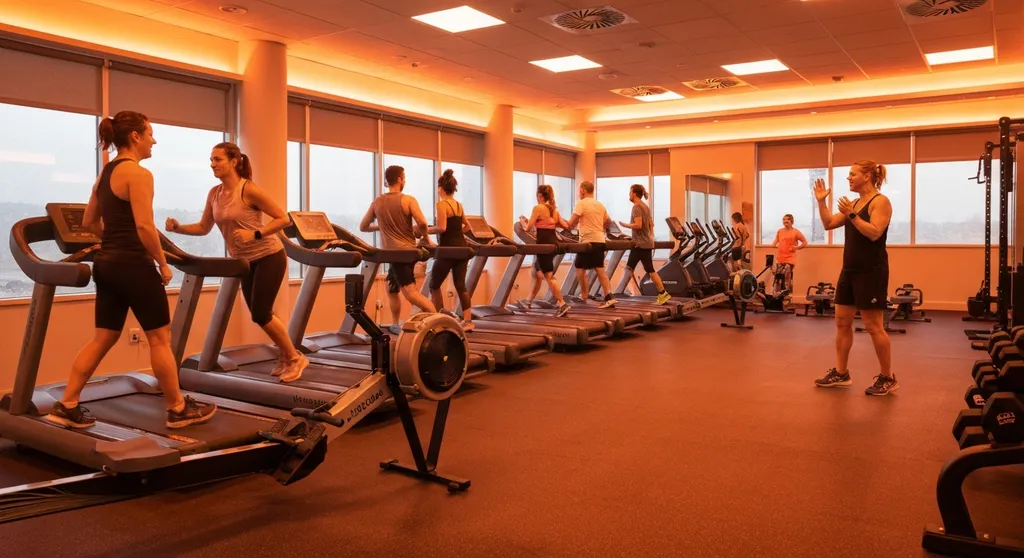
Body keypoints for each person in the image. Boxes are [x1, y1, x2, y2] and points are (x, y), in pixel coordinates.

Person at [46, 111, 217, 429]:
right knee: (160, 339)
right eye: (150, 134)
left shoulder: (105, 173)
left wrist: (112, 242)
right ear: (135, 137)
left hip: (107, 264)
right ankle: (177, 408)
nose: (154, 140)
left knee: (103, 337)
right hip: (134, 266)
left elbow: (89, 222)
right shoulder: (138, 174)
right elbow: (144, 226)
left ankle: (67, 404)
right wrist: (163, 263)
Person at [166, 142, 308, 383]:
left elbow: (283, 218)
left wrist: (255, 234)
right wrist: (178, 228)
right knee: (259, 314)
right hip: (244, 261)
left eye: (217, 159)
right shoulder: (214, 193)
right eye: (211, 160)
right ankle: (287, 355)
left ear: (234, 161)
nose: (212, 164)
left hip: (268, 256)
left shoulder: (248, 190)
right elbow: (203, 227)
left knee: (261, 314)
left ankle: (295, 358)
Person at [812, 161, 897, 395]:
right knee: (841, 322)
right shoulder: (856, 203)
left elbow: (875, 232)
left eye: (852, 174)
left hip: (871, 271)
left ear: (867, 176)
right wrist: (821, 202)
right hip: (849, 270)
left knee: (873, 326)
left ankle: (887, 377)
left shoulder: (880, 201)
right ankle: (841, 373)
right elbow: (829, 223)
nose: (848, 178)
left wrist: (851, 214)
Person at [360, 165, 436, 334]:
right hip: (402, 253)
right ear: (400, 180)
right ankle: (396, 324)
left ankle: (437, 323)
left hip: (396, 254)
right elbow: (422, 223)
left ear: (387, 181)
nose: (405, 181)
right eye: (404, 178)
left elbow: (363, 227)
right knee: (392, 289)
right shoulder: (408, 200)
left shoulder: (377, 202)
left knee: (410, 293)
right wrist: (426, 238)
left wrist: (381, 226)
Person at [427, 169, 474, 331]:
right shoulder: (458, 205)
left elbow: (441, 227)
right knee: (460, 285)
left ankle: (440, 319)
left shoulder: (441, 204)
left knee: (434, 284)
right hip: (462, 248)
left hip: (448, 250)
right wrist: (457, 234)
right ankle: (468, 321)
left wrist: (425, 230)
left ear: (440, 188)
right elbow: (467, 227)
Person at [518, 185, 572, 317]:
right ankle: (528, 301)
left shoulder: (538, 208)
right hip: (553, 243)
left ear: (540, 196)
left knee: (549, 276)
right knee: (537, 272)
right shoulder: (554, 209)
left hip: (543, 246)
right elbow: (565, 225)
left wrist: (523, 222)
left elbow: (528, 228)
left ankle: (562, 303)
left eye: (537, 196)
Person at [564, 181, 616, 308]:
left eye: (579, 190)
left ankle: (584, 296)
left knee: (579, 268)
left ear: (582, 190)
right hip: (600, 240)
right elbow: (608, 222)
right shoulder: (600, 205)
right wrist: (598, 226)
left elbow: (570, 224)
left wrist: (558, 223)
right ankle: (609, 296)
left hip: (587, 242)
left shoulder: (581, 203)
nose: (579, 193)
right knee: (600, 269)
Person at [617, 183, 670, 305]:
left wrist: (625, 225)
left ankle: (618, 293)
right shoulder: (645, 207)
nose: (629, 194)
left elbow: (638, 225)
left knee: (629, 268)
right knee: (649, 269)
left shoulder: (636, 207)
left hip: (640, 244)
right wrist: (648, 236)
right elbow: (651, 224)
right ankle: (662, 293)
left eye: (630, 192)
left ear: (634, 194)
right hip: (646, 242)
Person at [770, 213, 807, 293]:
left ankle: (787, 294)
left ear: (791, 221)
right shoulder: (780, 231)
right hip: (780, 258)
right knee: (778, 277)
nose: (785, 221)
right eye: (784, 219)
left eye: (788, 219)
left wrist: (796, 247)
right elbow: (774, 243)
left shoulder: (796, 232)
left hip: (790, 258)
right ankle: (777, 295)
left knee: (786, 276)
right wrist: (776, 246)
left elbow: (804, 242)